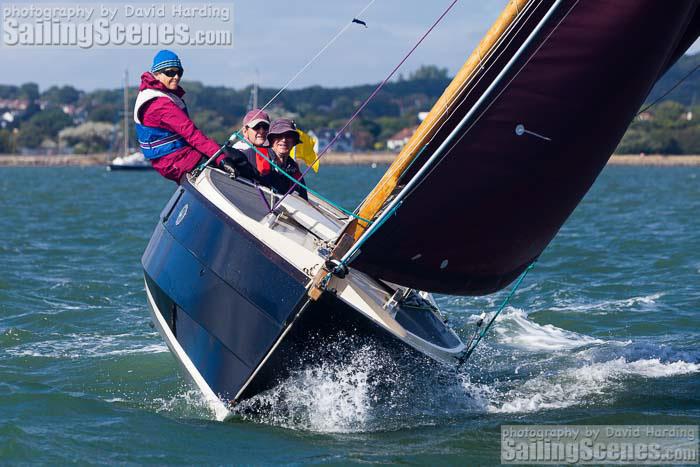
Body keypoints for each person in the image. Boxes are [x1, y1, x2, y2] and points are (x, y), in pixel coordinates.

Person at [134, 50, 238, 183]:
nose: (176, 76)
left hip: (171, 161)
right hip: (177, 161)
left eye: (179, 72)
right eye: (170, 72)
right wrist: (221, 159)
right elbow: (192, 135)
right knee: (236, 158)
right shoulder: (160, 104)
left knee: (229, 153)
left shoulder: (150, 93)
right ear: (157, 74)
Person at [250, 118, 308, 200]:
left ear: (294, 142)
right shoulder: (253, 155)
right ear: (271, 140)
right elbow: (228, 155)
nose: (284, 140)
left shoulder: (295, 173)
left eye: (288, 136)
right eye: (279, 135)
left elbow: (304, 200)